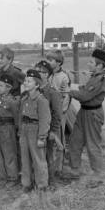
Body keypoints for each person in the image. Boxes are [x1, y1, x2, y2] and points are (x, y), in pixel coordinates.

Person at [64, 49, 105, 187]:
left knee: (92, 145)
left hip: (93, 114)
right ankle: (75, 170)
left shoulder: (100, 80)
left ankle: (98, 176)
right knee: (75, 141)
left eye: (91, 62)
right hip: (83, 112)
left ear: (100, 66)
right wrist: (79, 88)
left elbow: (85, 96)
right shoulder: (94, 77)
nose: (88, 63)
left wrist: (70, 92)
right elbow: (85, 88)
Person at [18, 69, 51, 195]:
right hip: (25, 130)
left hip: (35, 131)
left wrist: (42, 137)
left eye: (29, 81)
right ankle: (26, 183)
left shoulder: (41, 100)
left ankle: (42, 185)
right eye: (25, 80)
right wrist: (21, 131)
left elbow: (45, 120)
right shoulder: (24, 99)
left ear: (37, 85)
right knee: (25, 158)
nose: (25, 83)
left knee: (38, 159)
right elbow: (21, 117)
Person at [35, 60, 64, 189]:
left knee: (48, 156)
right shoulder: (33, 90)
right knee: (38, 156)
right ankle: (39, 180)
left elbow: (57, 114)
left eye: (41, 72)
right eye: (37, 71)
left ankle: (51, 182)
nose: (38, 74)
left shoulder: (52, 92)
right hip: (35, 128)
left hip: (48, 129)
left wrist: (53, 131)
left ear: (47, 75)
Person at [46, 49, 71, 174]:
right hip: (48, 113)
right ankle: (51, 164)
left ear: (59, 62)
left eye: (50, 60)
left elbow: (66, 96)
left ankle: (59, 167)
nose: (48, 62)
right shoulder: (48, 75)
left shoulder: (63, 77)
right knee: (50, 139)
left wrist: (60, 112)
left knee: (59, 139)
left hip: (59, 114)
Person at [0, 74, 20, 187]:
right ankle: (3, 176)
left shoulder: (12, 101)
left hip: (8, 128)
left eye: (1, 86)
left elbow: (17, 117)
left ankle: (13, 177)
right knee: (0, 152)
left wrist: (18, 130)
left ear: (8, 87)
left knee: (9, 153)